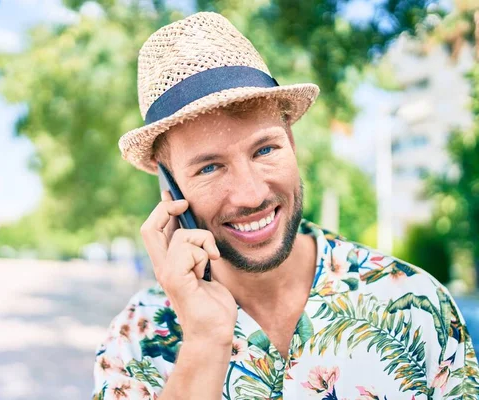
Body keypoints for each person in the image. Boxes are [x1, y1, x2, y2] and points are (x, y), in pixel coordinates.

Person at [92, 11, 479, 400]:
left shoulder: (417, 305)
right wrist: (204, 344)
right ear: (171, 187)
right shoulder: (134, 340)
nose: (252, 195)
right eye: (209, 167)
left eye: (265, 149)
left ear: (291, 143)